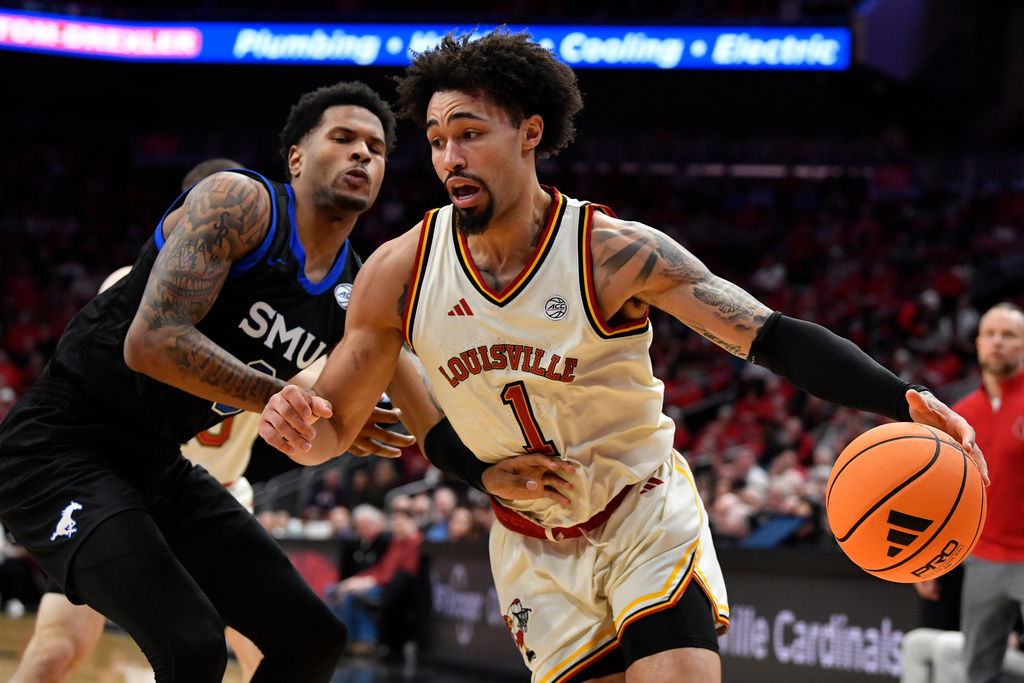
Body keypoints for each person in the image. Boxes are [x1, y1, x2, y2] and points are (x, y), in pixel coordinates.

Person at [258, 31, 986, 683]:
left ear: (529, 133)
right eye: (437, 138)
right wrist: (292, 417)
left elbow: (770, 335)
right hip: (530, 542)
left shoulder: (612, 253)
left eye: (470, 133)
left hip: (641, 510)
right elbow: (332, 427)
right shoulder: (399, 271)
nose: (450, 156)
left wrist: (903, 397)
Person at [0, 82, 435, 683]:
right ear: (297, 158)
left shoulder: (357, 292)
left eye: (377, 147)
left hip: (159, 468)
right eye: (344, 138)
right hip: (61, 448)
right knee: (189, 643)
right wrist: (276, 396)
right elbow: (151, 341)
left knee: (312, 640)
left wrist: (483, 467)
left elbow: (400, 406)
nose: (363, 153)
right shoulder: (241, 202)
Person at [952, 302, 1024, 683]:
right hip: (981, 558)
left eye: (1009, 335)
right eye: (990, 334)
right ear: (978, 343)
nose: (998, 342)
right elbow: (947, 493)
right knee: (976, 672)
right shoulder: (959, 414)